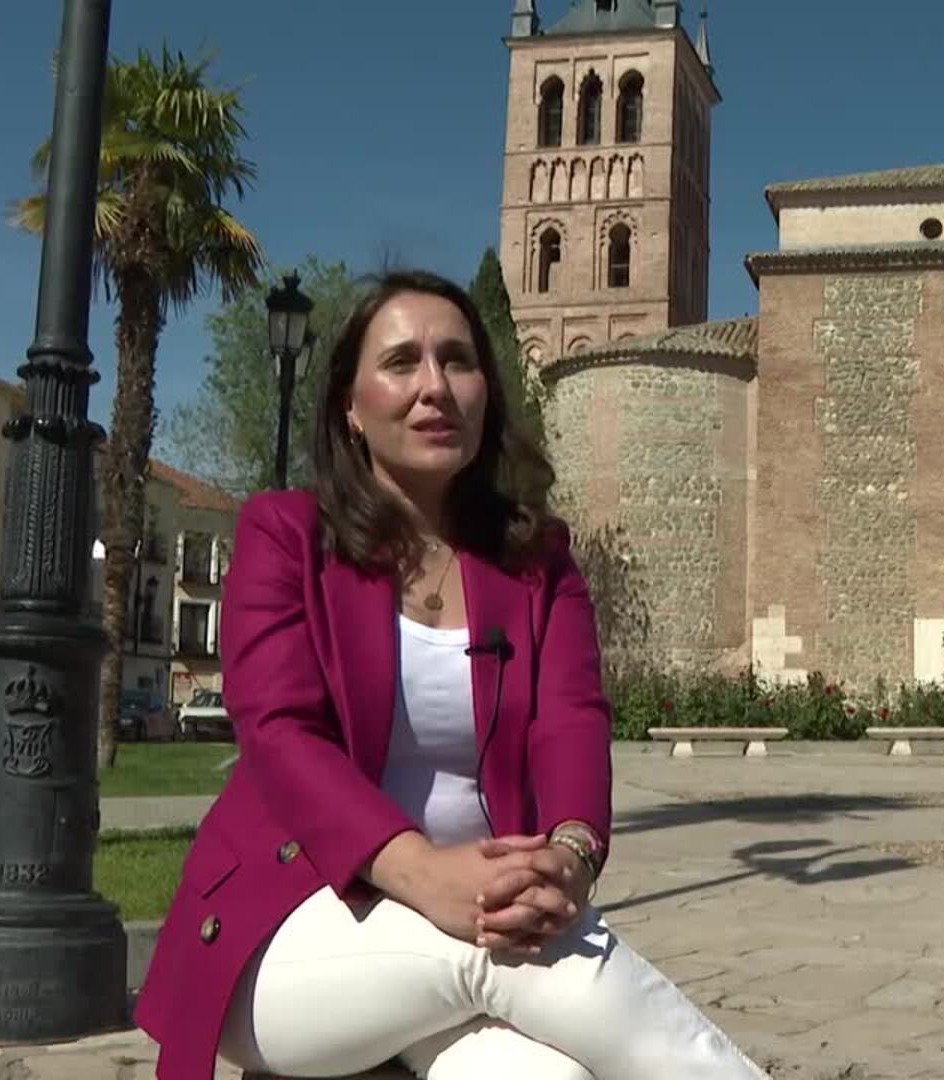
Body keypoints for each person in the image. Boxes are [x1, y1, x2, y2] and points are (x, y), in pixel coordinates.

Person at [135, 270, 766, 1080]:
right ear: (350, 407)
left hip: (484, 919)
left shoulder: (537, 561)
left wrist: (570, 857)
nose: (434, 385)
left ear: (486, 394)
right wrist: (426, 875)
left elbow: (571, 720)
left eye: (458, 360)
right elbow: (281, 735)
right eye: (402, 362)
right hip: (290, 926)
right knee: (504, 958)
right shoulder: (285, 535)